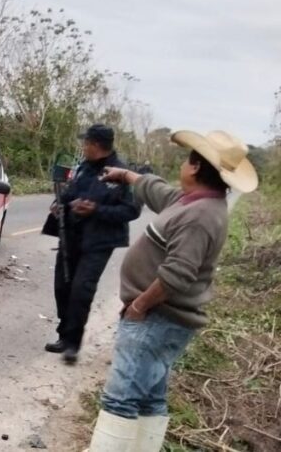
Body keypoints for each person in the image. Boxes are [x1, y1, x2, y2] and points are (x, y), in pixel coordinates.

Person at [86, 130, 258, 452]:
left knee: (121, 398)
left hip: (156, 319)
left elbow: (178, 275)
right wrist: (126, 175)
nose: (181, 165)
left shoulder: (200, 216)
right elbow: (158, 191)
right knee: (149, 399)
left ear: (194, 167)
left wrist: (139, 306)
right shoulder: (193, 202)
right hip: (162, 321)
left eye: (184, 160)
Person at [42, 124, 141, 364]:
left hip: (99, 241)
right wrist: (61, 204)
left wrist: (96, 210)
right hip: (71, 236)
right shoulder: (83, 168)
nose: (83, 147)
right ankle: (64, 335)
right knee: (62, 286)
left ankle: (72, 344)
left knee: (81, 290)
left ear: (96, 145)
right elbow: (69, 194)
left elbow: (132, 210)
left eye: (85, 143)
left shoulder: (121, 173)